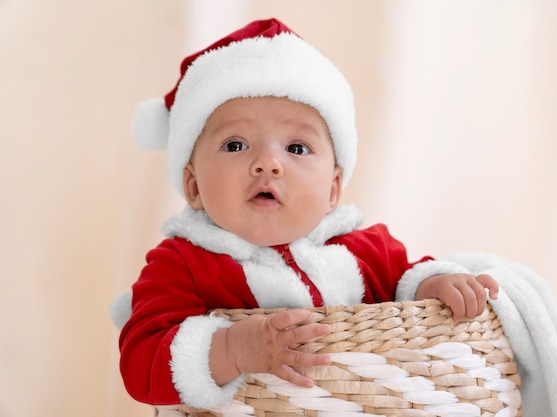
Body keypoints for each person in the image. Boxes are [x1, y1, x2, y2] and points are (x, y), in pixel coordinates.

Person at [117, 18, 499, 411]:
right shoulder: (182, 263)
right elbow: (139, 360)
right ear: (194, 186)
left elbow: (407, 282)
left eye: (296, 148)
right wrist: (231, 348)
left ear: (333, 189)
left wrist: (437, 285)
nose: (267, 163)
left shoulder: (365, 250)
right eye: (235, 145)